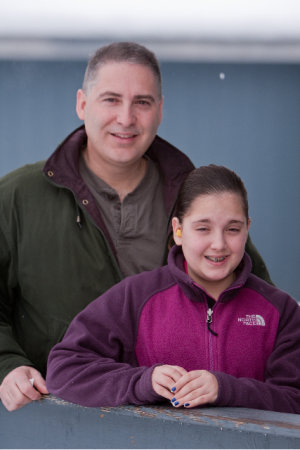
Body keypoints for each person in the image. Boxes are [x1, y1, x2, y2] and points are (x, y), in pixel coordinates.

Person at [0, 42, 271, 413]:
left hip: (183, 424)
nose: (126, 118)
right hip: (59, 418)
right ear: (82, 104)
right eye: (111, 99)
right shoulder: (18, 196)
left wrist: (228, 386)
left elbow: (261, 310)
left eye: (142, 102)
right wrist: (7, 364)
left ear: (160, 110)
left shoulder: (197, 198)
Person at [46, 165, 300, 414]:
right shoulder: (135, 297)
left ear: (247, 229)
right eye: (203, 228)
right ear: (178, 230)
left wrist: (226, 390)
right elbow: (64, 370)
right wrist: (143, 382)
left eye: (233, 229)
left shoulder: (282, 310)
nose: (219, 244)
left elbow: (294, 398)